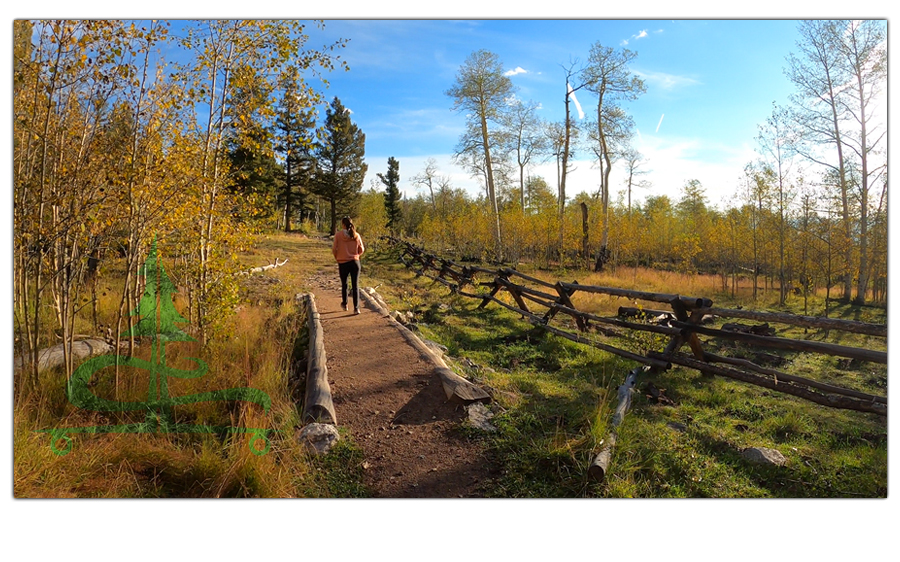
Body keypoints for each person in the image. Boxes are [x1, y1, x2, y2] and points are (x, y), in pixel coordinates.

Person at [332, 216, 365, 314]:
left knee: (344, 284)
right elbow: (362, 249)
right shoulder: (356, 235)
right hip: (355, 262)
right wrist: (356, 255)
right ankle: (356, 308)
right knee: (355, 285)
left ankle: (345, 304)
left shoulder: (338, 235)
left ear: (343, 224)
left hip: (343, 262)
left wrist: (338, 257)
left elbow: (334, 249)